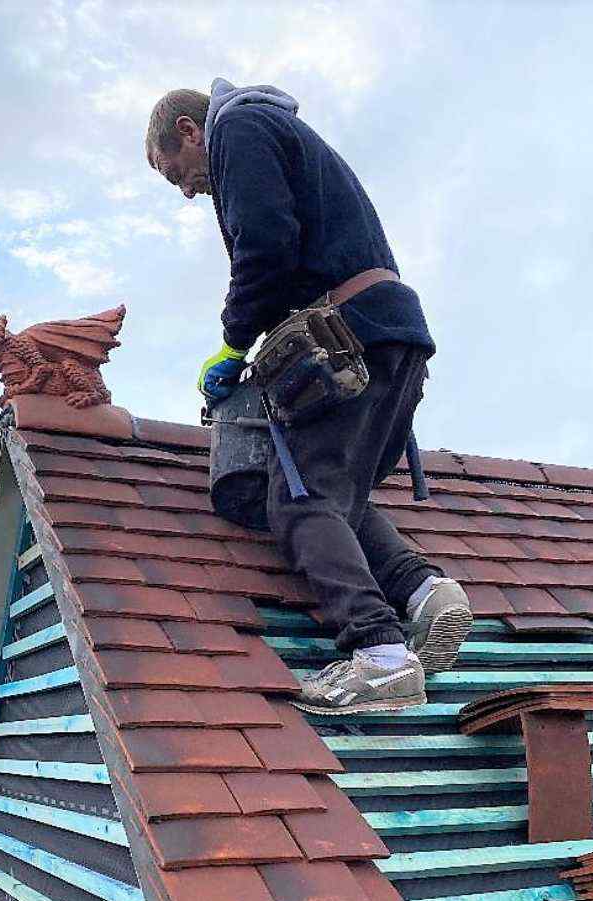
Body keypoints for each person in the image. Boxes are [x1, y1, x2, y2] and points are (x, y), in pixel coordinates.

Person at [145, 79, 472, 715]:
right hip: (391, 334)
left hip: (350, 336)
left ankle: (380, 656)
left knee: (300, 500)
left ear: (189, 131)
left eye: (174, 173)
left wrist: (235, 344)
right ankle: (426, 591)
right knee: (333, 493)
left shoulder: (235, 130)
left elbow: (265, 244)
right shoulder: (279, 133)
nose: (186, 190)